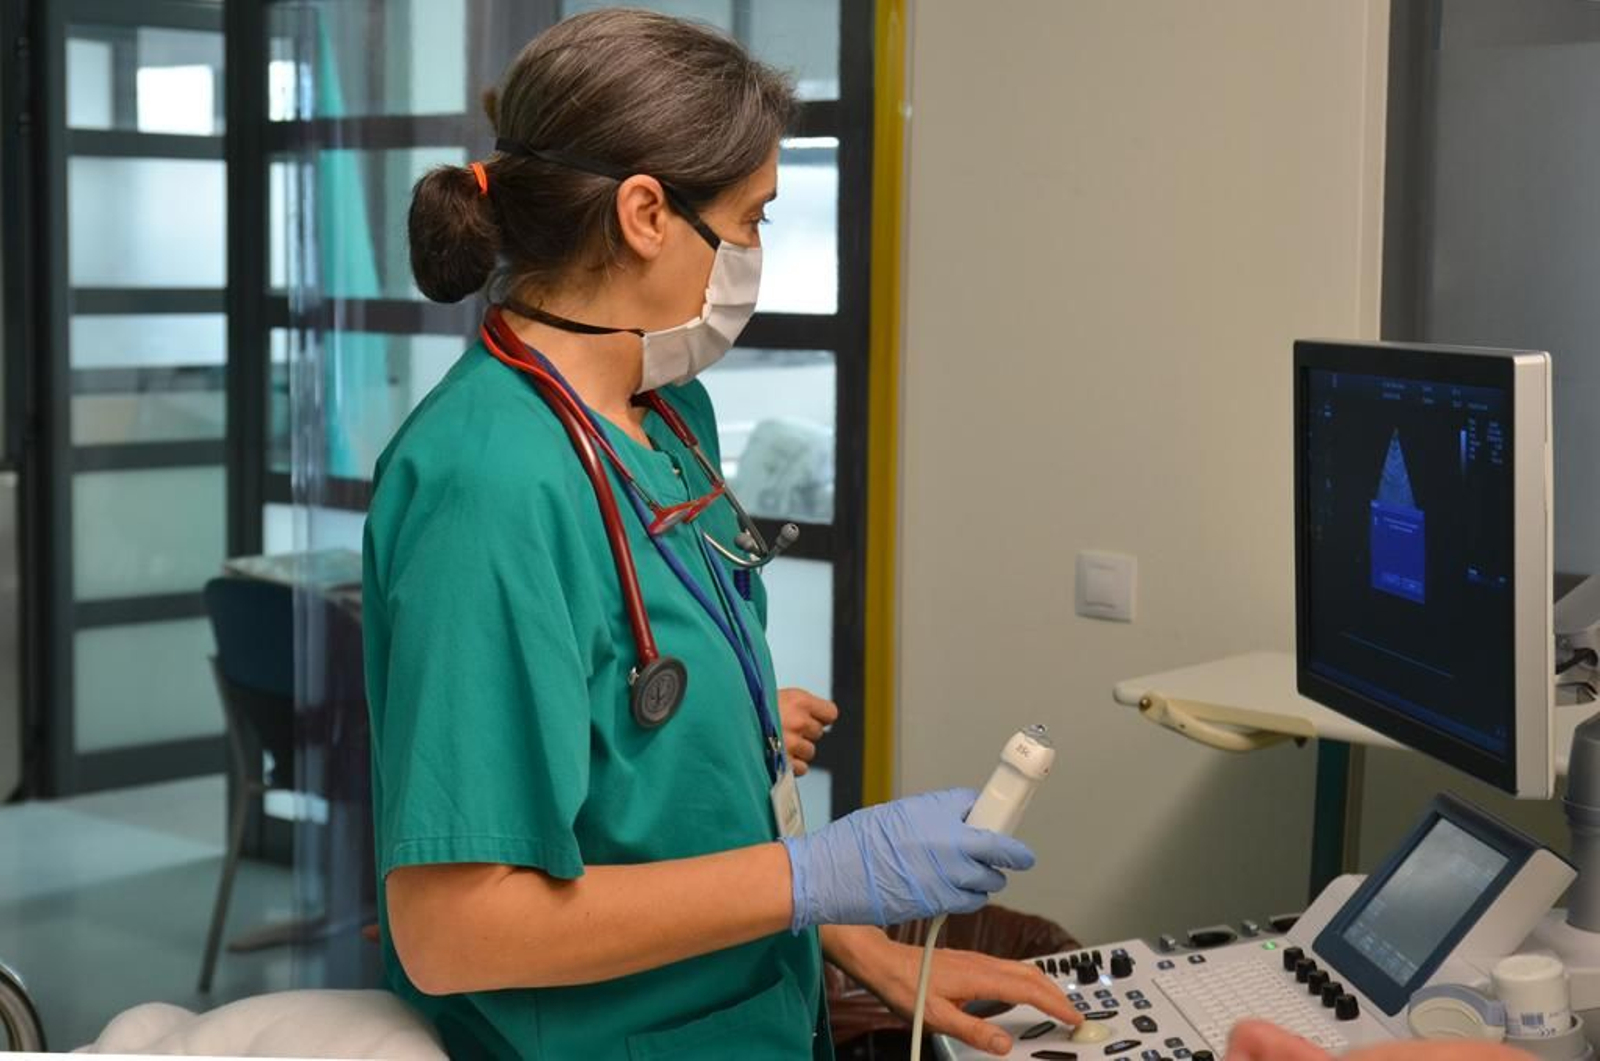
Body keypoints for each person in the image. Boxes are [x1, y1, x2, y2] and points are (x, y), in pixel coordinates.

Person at [362, 9, 1077, 1059]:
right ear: (647, 213)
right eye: (750, 221)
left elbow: (629, 741)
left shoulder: (668, 417)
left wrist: (855, 937)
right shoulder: (488, 485)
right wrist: (816, 870)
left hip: (758, 1012)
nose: (750, 256)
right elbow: (454, 929)